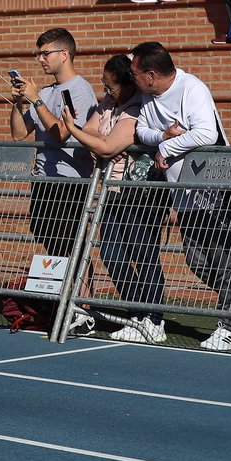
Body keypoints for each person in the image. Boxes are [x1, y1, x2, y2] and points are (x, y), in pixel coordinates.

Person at [131, 41, 231, 351]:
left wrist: (167, 147)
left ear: (150, 75)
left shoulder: (192, 89)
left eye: (135, 71)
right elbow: (142, 131)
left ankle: (230, 327)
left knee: (224, 257)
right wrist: (162, 136)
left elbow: (206, 133)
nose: (131, 76)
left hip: (218, 189)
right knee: (196, 258)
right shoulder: (148, 98)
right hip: (185, 193)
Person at [61, 54, 167, 343]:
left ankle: (154, 319)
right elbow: (94, 136)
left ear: (128, 84)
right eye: (104, 86)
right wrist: (97, 144)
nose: (106, 92)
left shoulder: (136, 109)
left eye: (111, 87)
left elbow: (103, 144)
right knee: (111, 253)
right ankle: (136, 313)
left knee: (142, 252)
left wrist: (87, 137)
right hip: (110, 190)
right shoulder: (109, 104)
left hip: (137, 193)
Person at [9, 27, 99, 332]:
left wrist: (36, 102)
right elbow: (19, 133)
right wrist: (20, 102)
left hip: (70, 181)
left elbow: (63, 134)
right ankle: (67, 301)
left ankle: (83, 305)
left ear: (65, 54)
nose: (40, 59)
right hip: (43, 180)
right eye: (38, 53)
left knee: (73, 242)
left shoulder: (79, 90)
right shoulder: (44, 92)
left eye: (45, 53)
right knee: (50, 237)